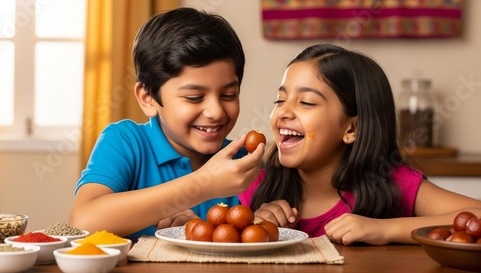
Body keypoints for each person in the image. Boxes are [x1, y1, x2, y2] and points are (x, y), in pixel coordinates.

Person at [239, 43, 481, 245]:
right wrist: (254, 228)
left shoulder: (393, 183)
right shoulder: (260, 186)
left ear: (351, 128)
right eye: (280, 100)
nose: (282, 112)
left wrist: (385, 230)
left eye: (307, 103)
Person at [70, 7, 265, 242]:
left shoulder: (247, 162)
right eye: (194, 97)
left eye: (229, 94)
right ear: (148, 98)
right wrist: (203, 184)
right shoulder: (125, 141)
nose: (215, 112)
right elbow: (83, 222)